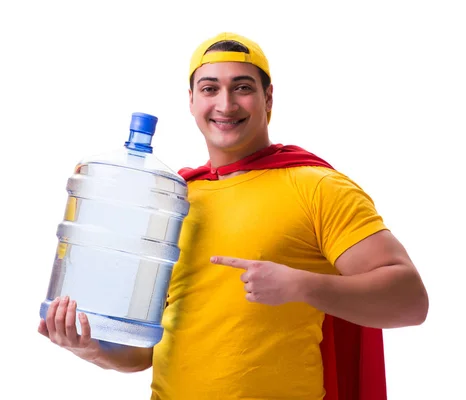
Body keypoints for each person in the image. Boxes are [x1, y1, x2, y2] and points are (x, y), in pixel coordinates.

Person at [38, 32, 429, 400]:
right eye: (210, 89)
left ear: (268, 99)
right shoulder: (175, 198)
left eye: (242, 87)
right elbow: (148, 352)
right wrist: (90, 348)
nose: (225, 104)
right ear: (191, 100)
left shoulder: (317, 188)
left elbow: (411, 301)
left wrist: (301, 285)